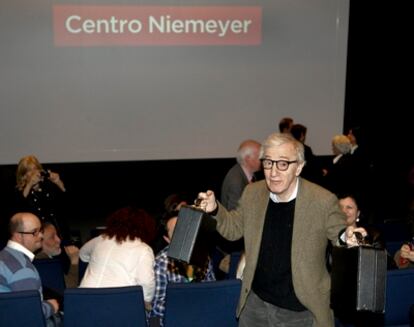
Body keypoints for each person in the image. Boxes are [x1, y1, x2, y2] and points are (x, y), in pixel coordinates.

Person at [197, 132, 365, 327]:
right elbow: (234, 228)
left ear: (299, 167)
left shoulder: (322, 200)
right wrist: (215, 209)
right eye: (268, 162)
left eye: (283, 164)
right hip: (255, 305)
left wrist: (349, 237)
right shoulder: (253, 192)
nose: (273, 172)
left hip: (300, 310)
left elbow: (339, 233)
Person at [79, 206, 156, 310]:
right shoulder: (144, 249)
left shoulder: (100, 239)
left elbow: (82, 254)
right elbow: (146, 282)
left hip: (83, 299)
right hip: (117, 305)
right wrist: (146, 302)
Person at [149, 215, 215, 327]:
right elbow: (157, 305)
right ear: (167, 239)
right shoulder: (161, 262)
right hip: (174, 320)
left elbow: (212, 289)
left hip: (201, 316)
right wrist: (188, 309)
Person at [0, 212, 60, 324]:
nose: (41, 236)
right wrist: (51, 306)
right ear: (18, 236)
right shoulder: (22, 269)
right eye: (34, 232)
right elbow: (29, 314)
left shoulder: (4, 256)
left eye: (40, 230)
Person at [14, 155, 70, 242]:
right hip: (35, 235)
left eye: (35, 169)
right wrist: (29, 185)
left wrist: (58, 182)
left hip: (56, 231)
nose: (33, 172)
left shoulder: (48, 186)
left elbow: (66, 202)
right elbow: (19, 208)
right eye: (29, 170)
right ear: (24, 175)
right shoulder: (21, 191)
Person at [35, 222, 79, 288]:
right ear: (39, 242)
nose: (59, 240)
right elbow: (68, 289)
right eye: (52, 237)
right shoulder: (43, 263)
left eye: (57, 235)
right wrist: (74, 262)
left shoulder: (45, 261)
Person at [221, 139, 261, 211]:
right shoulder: (236, 181)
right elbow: (234, 215)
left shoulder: (248, 173)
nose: (262, 159)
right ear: (248, 159)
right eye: (259, 156)